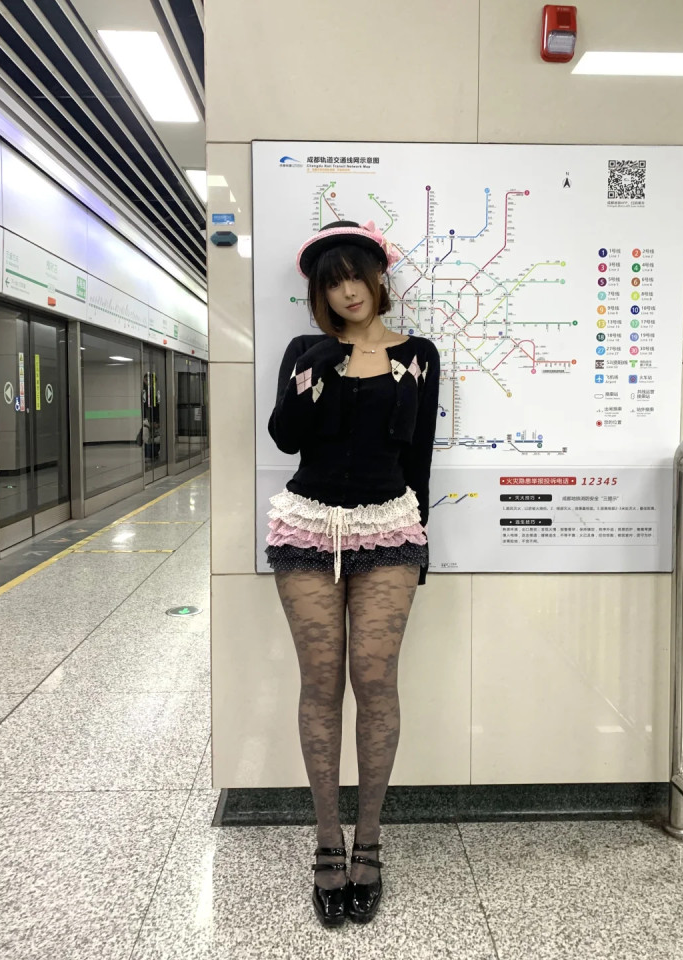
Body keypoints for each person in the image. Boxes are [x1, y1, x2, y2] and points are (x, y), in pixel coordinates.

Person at [266, 220, 440, 927]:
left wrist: (421, 546)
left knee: (374, 678)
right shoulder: (305, 353)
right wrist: (322, 364)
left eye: (356, 276)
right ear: (321, 292)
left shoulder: (418, 356)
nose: (347, 291)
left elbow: (419, 455)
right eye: (332, 282)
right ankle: (327, 843)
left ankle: (369, 842)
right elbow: (286, 437)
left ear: (378, 278)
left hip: (389, 529)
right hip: (309, 528)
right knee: (320, 683)